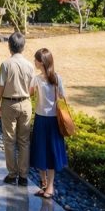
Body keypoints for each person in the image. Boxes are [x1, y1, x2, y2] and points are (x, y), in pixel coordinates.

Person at [0, 32, 36, 185]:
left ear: (9, 46)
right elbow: (32, 89)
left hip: (9, 103)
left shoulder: (6, 64)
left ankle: (12, 174)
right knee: (24, 141)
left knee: (9, 140)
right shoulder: (30, 66)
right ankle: (24, 176)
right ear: (23, 47)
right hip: (25, 103)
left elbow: (1, 86)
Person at [31, 48, 68, 199]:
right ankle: (45, 184)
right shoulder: (55, 78)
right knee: (44, 153)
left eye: (35, 60)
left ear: (41, 62)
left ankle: (49, 186)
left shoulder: (38, 79)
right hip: (47, 119)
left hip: (47, 120)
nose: (34, 62)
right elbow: (63, 97)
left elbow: (30, 93)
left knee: (45, 153)